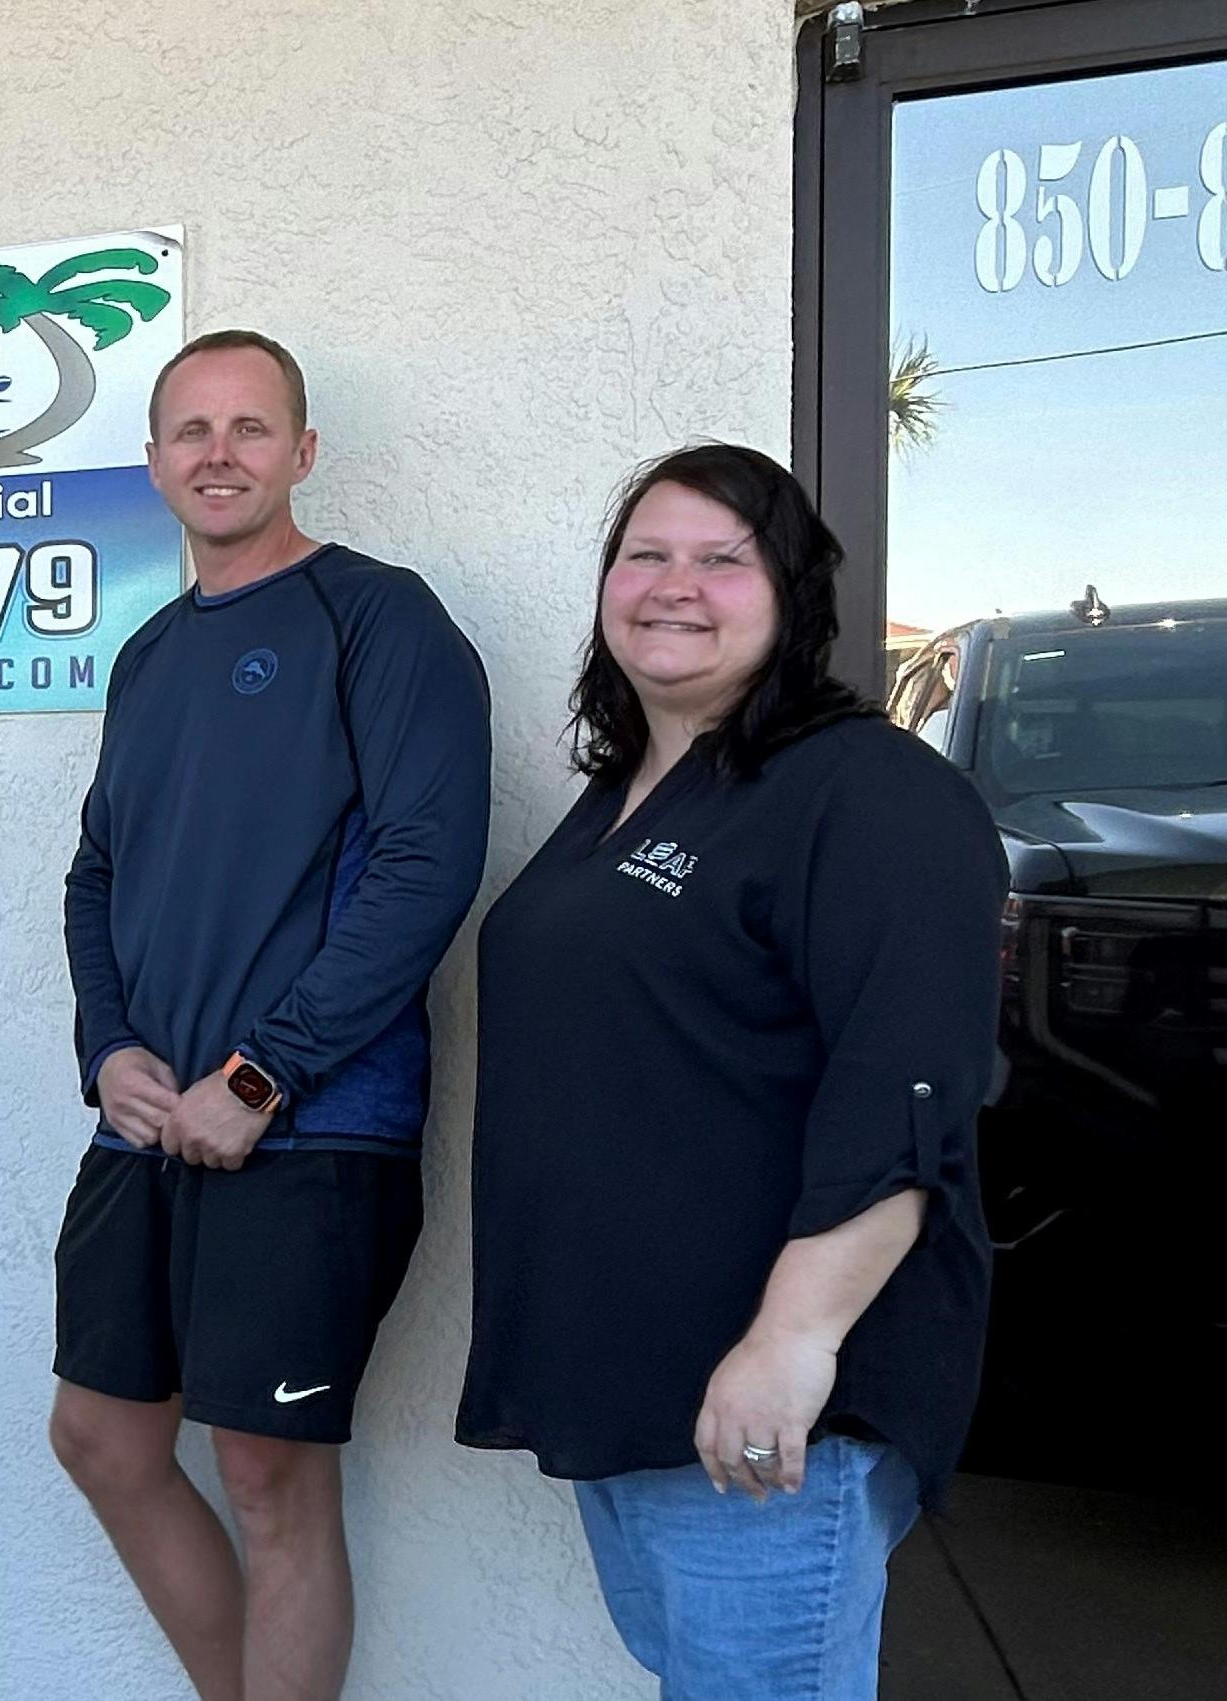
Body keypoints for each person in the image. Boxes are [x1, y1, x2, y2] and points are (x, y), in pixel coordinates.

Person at [455, 444, 1005, 1700]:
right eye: (645, 553)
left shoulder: (866, 792)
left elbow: (907, 1088)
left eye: (723, 559)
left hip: (761, 1392)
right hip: (632, 1370)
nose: (674, 584)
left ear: (794, 593)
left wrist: (791, 1341)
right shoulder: (629, 791)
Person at [51, 331, 492, 1700]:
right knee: (102, 1437)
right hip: (149, 1126)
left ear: (302, 453)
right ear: (154, 463)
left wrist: (261, 1078)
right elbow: (96, 874)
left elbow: (429, 865)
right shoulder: (146, 660)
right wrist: (109, 1049)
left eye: (250, 428)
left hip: (312, 1129)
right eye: (191, 430)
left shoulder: (381, 617)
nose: (219, 453)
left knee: (267, 1473)